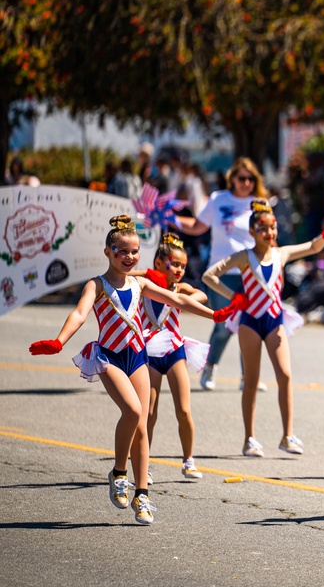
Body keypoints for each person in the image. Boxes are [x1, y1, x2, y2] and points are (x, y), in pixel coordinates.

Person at [28, 215, 234, 524]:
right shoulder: (96, 285)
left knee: (141, 424)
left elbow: (177, 299)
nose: (129, 257)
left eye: (134, 251)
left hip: (137, 356)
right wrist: (59, 341)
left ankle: (142, 496)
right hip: (109, 357)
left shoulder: (141, 284)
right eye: (122, 251)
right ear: (108, 252)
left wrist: (214, 315)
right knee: (135, 412)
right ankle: (118, 473)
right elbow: (80, 312)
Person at [202, 201, 324, 458]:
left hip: (274, 320)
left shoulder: (282, 253)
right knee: (252, 381)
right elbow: (210, 275)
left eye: (273, 227)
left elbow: (312, 247)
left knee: (285, 375)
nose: (269, 233)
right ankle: (249, 439)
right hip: (250, 322)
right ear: (253, 231)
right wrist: (234, 296)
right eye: (263, 228)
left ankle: (287, 436)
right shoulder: (244, 256)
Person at [172, 157, 269, 392]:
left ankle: (248, 377)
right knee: (224, 323)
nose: (245, 183)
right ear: (232, 179)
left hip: (252, 272)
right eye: (241, 178)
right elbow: (197, 226)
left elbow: (268, 236)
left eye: (250, 179)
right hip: (222, 271)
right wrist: (169, 219)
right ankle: (210, 366)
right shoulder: (218, 200)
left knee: (251, 326)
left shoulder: (259, 203)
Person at [139, 233, 210, 480]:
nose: (179, 269)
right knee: (148, 412)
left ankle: (188, 460)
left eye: (183, 265)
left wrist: (184, 298)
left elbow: (201, 295)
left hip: (174, 351)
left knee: (184, 410)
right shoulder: (144, 284)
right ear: (159, 263)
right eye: (174, 263)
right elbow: (126, 276)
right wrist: (147, 274)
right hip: (149, 352)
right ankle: (142, 463)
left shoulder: (179, 289)